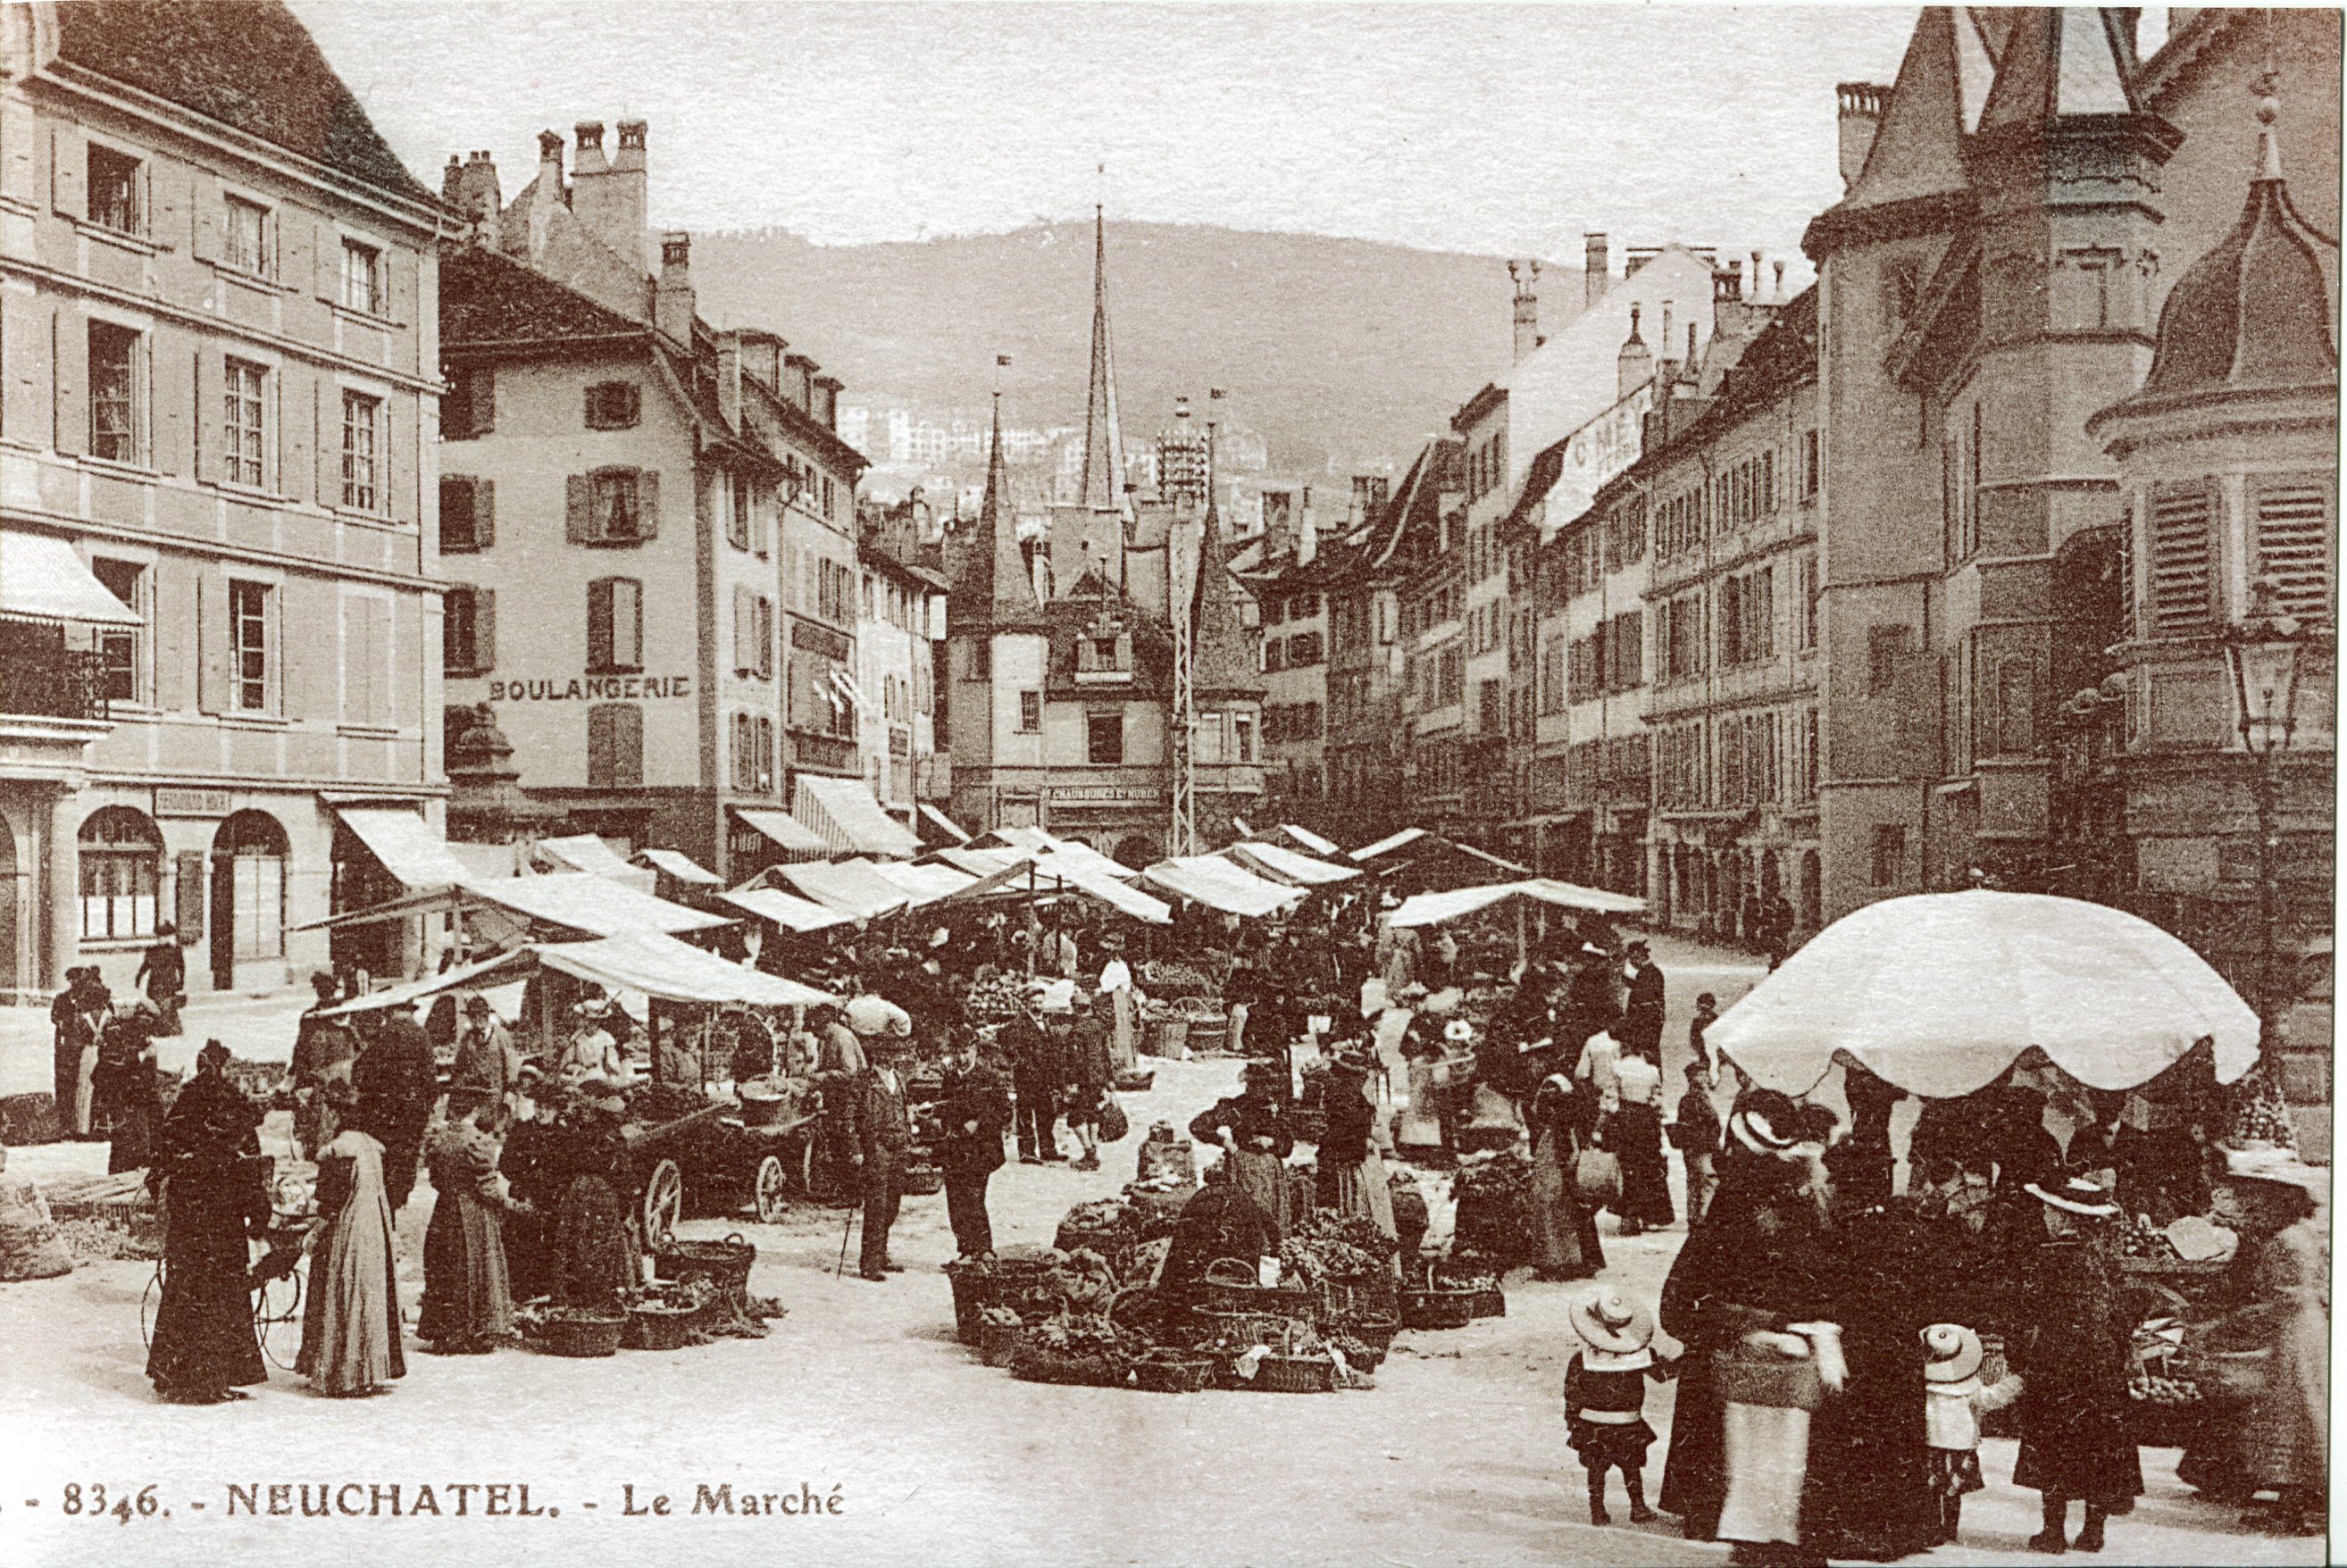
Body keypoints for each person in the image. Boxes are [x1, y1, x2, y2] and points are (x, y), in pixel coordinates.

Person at [1658, 1090, 1840, 1553]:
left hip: (1735, 1325)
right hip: (1790, 1329)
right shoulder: (1808, 1192)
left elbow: (1705, 1264)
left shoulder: (1736, 1195)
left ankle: (1710, 1509)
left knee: (1719, 1417)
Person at [2183, 1147, 2326, 1532]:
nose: (2252, 1206)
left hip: (2295, 1334)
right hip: (2303, 1332)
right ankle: (2293, 1503)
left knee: (2294, 1417)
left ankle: (2297, 1507)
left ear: (2278, 1200)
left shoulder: (2286, 1242)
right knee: (2296, 1417)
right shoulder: (2298, 1234)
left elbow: (2281, 1302)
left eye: (2259, 1199)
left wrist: (2222, 1326)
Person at [2009, 1169, 2141, 1554]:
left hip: (2058, 1359)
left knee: (2054, 1440)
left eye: (2049, 1212)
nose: (2045, 1218)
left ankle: (2053, 1531)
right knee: (2098, 1443)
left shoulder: (2049, 1257)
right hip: (2101, 1361)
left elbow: (2029, 1310)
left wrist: (2022, 1355)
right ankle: (2093, 1531)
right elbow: (2122, 1311)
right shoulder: (2105, 1259)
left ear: (2063, 1217)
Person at [144, 1041, 271, 1404]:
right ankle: (211, 1379)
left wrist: (165, 1196)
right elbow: (249, 1167)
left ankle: (173, 1373)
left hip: (188, 1222)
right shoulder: (232, 1106)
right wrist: (258, 1217)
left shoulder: (186, 1104)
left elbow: (161, 1165)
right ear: (224, 1065)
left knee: (183, 1292)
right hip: (224, 1223)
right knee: (221, 1297)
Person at [297, 1080, 405, 1398]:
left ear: (334, 1113)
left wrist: (312, 1231)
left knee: (345, 1293)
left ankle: (344, 1372)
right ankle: (369, 1368)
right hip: (374, 1229)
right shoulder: (372, 1147)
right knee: (369, 1296)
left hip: (351, 1230)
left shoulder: (339, 1150)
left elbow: (331, 1203)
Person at [417, 1097, 522, 1354]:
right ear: (475, 1109)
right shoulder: (477, 1141)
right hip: (472, 1213)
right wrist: (509, 1204)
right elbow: (487, 1187)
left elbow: (435, 1180)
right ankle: (469, 1331)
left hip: (444, 1210)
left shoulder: (440, 1138)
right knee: (472, 1267)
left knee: (444, 1266)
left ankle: (443, 1331)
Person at [1565, 1289, 1677, 1525]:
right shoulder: (1641, 1356)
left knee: (1595, 1470)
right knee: (1631, 1468)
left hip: (1593, 1422)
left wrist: (1572, 1420)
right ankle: (1638, 1507)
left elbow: (1572, 1392)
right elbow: (1664, 1374)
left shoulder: (1581, 1359)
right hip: (1627, 1422)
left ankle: (1597, 1510)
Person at [1919, 1322, 2022, 1548]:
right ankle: (1949, 1529)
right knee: (1952, 1490)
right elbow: (1991, 1398)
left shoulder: (1924, 1385)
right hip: (1960, 1443)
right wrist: (2014, 1384)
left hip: (1931, 1442)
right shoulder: (1969, 1385)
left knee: (1932, 1486)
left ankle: (1934, 1527)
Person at [545, 1080, 640, 1310]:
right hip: (602, 1195)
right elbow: (623, 1176)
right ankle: (602, 1297)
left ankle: (571, 1295)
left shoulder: (574, 1133)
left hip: (579, 1193)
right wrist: (626, 1206)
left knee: (574, 1243)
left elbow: (560, 1164)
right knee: (602, 1244)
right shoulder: (613, 1139)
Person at [1189, 1061, 1295, 1237]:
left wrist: (1272, 1143)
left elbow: (1288, 1146)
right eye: (1258, 1085)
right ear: (1249, 1085)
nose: (1264, 1090)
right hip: (1243, 1166)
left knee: (1270, 1220)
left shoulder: (1276, 1109)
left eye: (1267, 1085)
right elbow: (1198, 1126)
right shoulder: (1236, 1108)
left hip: (1270, 1172)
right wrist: (1225, 1143)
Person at [353, 1000, 438, 1214]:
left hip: (384, 1115)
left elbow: (363, 1074)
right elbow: (430, 1081)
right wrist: (425, 1109)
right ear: (409, 1012)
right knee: (406, 1162)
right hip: (412, 1115)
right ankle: (398, 1200)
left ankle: (385, 1212)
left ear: (390, 1011)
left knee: (385, 1164)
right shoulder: (421, 1035)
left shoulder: (381, 1036)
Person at [843, 1038, 915, 1281]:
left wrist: (909, 1130)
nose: (890, 1057)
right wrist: (855, 1150)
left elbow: (905, 1110)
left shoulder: (899, 1079)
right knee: (876, 1206)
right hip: (876, 1149)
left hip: (898, 1148)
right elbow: (849, 1118)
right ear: (876, 1055)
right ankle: (870, 1263)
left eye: (894, 1052)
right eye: (886, 1052)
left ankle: (882, 1253)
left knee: (892, 1205)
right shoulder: (863, 1081)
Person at [1527, 1059, 1604, 1280]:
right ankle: (1576, 1260)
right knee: (1569, 1207)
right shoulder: (1566, 1090)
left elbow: (1547, 1120)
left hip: (1558, 1155)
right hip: (1565, 1150)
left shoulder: (1553, 1092)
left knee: (1554, 1205)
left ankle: (1559, 1260)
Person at [936, 1030, 1010, 1258]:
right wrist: (940, 1120)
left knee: (974, 1199)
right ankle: (965, 1250)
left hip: (980, 1150)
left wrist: (979, 1122)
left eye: (965, 1052)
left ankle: (983, 1249)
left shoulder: (989, 1077)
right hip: (954, 1149)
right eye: (957, 1052)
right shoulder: (950, 1078)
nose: (961, 1058)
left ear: (975, 1050)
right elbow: (944, 1105)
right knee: (955, 1202)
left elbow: (1005, 1112)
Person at [1314, 1047, 1397, 1240]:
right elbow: (1338, 1136)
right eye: (1357, 1076)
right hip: (1345, 1165)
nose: (1362, 1080)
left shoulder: (1355, 1098)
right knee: (1346, 1210)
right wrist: (1363, 1142)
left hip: (1355, 1163)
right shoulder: (1342, 1099)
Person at [288, 972, 356, 1161]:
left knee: (317, 1109)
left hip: (324, 1074)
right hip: (337, 1074)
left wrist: (297, 1075)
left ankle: (317, 1148)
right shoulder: (344, 1015)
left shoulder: (314, 1017)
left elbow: (301, 1050)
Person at [1608, 1042, 1673, 1234]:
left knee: (1628, 1166)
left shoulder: (1617, 1067)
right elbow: (1657, 1099)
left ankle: (1630, 1216)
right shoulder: (1652, 1070)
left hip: (1626, 1119)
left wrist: (1611, 1116)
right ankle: (1651, 1216)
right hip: (1647, 1120)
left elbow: (1611, 1097)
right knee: (1650, 1166)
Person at [92, 1008, 163, 1173]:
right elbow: (108, 1071)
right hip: (127, 1106)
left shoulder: (143, 1046)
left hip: (142, 1105)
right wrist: (141, 1057)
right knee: (125, 1149)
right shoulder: (120, 1048)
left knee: (142, 1147)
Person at [1007, 988, 1071, 1163]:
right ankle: (1027, 1152)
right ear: (1027, 1004)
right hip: (1027, 1077)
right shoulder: (1019, 1023)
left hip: (1045, 1077)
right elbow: (1009, 1046)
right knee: (1025, 1115)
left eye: (1039, 1002)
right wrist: (1021, 1064)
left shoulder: (1046, 1023)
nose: (1037, 1006)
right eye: (1033, 1002)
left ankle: (1047, 1149)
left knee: (1047, 1113)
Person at [51, 967, 109, 1139]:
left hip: (83, 1051)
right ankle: (68, 1124)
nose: (75, 983)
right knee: (68, 1088)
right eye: (73, 980)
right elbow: (55, 1017)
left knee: (85, 1089)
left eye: (78, 980)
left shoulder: (89, 1001)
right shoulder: (62, 998)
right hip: (66, 1051)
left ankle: (85, 1125)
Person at [449, 996, 521, 1124]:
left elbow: (512, 1064)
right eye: (473, 1016)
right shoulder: (466, 1038)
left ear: (486, 1015)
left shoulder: (501, 1035)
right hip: (473, 1093)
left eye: (480, 1015)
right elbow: (459, 1067)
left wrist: (511, 1090)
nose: (476, 1019)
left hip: (495, 1094)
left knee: (492, 1129)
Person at [1065, 989, 1115, 1172]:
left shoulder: (1077, 1031)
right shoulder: (1099, 1026)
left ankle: (1089, 1153)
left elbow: (1077, 1061)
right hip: (1099, 1078)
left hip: (1084, 1080)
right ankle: (1094, 1147)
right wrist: (1109, 1078)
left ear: (1076, 1009)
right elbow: (1106, 1054)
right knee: (1093, 1112)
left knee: (1076, 1117)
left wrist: (1072, 1083)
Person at [1671, 1061, 1723, 1225]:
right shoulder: (1695, 1100)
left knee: (1694, 1183)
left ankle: (1694, 1218)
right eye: (1702, 1074)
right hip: (1701, 1148)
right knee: (1708, 1182)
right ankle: (1703, 1217)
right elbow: (1712, 1120)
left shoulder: (1691, 1099)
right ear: (1693, 1078)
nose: (1706, 1077)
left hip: (1694, 1148)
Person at [1098, 933, 1140, 1072]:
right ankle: (1119, 1057)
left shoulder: (1122, 966)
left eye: (1118, 953)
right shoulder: (1110, 966)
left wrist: (1119, 987)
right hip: (1115, 997)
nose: (1116, 956)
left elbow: (1126, 982)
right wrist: (1112, 987)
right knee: (1118, 1026)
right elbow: (1105, 982)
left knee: (1123, 1026)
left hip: (1121, 997)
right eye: (1114, 953)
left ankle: (1126, 1058)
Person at [136, 923, 186, 1035]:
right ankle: (164, 1028)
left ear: (168, 937)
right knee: (159, 1005)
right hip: (155, 983)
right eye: (159, 937)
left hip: (169, 982)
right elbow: (145, 966)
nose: (161, 939)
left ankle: (168, 1029)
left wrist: (181, 982)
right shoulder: (152, 951)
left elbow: (181, 968)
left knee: (167, 1006)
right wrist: (138, 978)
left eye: (164, 936)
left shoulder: (175, 951)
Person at [1621, 940, 1666, 1063]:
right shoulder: (1649, 971)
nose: (1631, 962)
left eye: (1632, 958)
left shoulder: (1650, 972)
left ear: (1638, 955)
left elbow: (1644, 995)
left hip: (1647, 1022)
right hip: (1650, 1020)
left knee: (1647, 1054)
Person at [1688, 993, 1722, 1086]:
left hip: (1710, 1049)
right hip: (1704, 1049)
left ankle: (1711, 1080)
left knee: (1711, 1063)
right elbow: (1694, 1038)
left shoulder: (1715, 1020)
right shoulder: (1699, 1021)